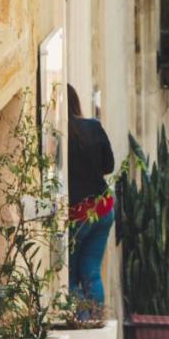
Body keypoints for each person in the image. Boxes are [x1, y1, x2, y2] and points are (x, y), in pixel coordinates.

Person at [67, 85, 115, 304]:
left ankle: (81, 325)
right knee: (91, 272)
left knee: (71, 277)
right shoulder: (93, 127)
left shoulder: (58, 134)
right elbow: (109, 166)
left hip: (76, 214)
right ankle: (95, 320)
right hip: (102, 208)